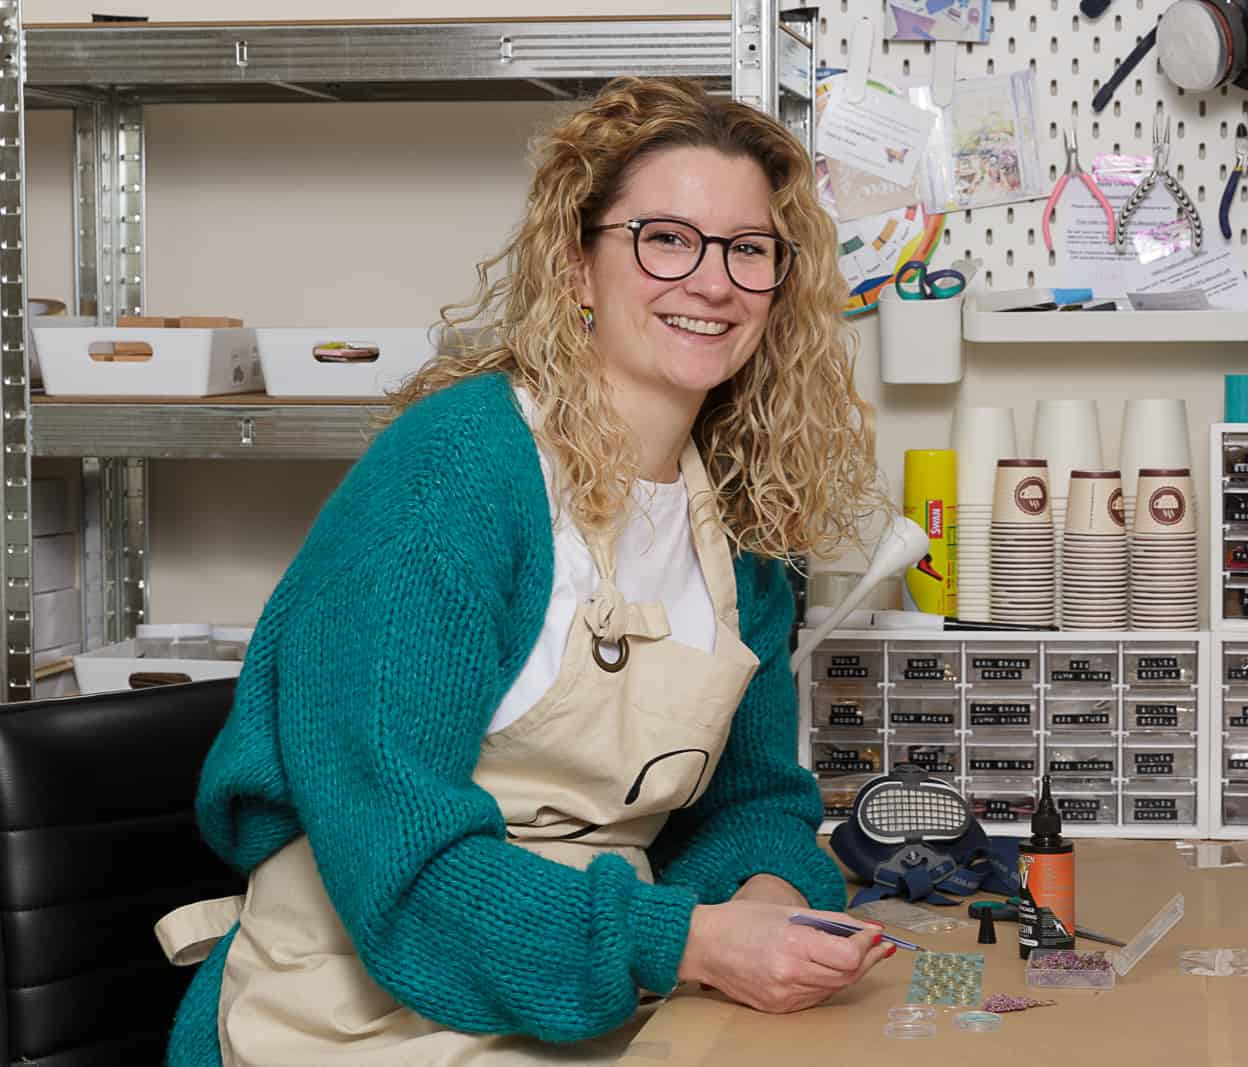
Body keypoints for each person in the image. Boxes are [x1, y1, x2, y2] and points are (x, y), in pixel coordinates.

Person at [161, 77, 889, 1065]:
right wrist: (688, 939)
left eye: (748, 250)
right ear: (578, 265)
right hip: (364, 998)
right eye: (664, 237)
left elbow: (751, 800)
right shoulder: (451, 479)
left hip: (604, 979)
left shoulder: (739, 526)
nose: (712, 282)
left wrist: (770, 906)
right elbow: (400, 866)